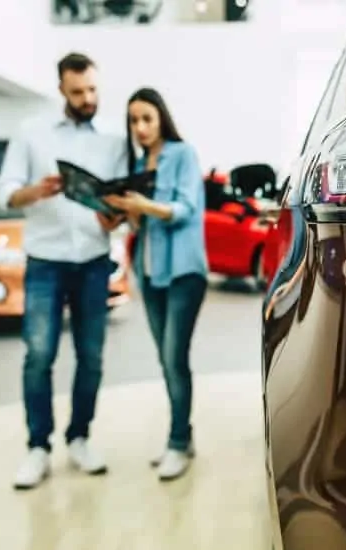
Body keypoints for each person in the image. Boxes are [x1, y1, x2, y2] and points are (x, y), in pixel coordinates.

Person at [0, 52, 126, 490]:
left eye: (92, 90)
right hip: (45, 261)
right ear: (61, 90)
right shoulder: (32, 133)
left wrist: (116, 216)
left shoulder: (113, 138)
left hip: (92, 260)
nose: (87, 98)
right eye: (77, 92)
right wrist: (34, 191)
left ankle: (80, 437)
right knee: (38, 357)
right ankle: (38, 447)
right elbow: (4, 193)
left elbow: (121, 197)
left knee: (91, 358)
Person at [103, 87, 207, 481]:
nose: (140, 127)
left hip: (183, 272)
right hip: (149, 274)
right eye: (133, 120)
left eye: (147, 118)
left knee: (173, 357)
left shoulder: (183, 154)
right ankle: (184, 435)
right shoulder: (137, 163)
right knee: (166, 360)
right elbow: (140, 224)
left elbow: (185, 209)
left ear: (161, 117)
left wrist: (141, 205)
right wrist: (118, 211)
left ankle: (178, 442)